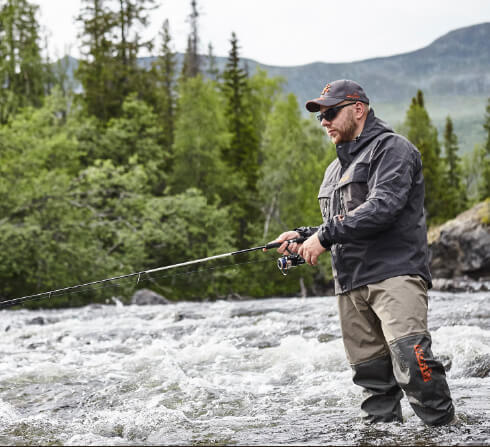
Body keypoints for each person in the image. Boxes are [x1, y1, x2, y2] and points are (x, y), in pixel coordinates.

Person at [269, 80, 455, 425]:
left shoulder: (393, 149)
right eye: (320, 115)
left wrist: (324, 236)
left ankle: (448, 434)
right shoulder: (333, 170)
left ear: (358, 109)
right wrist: (305, 236)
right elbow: (344, 220)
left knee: (415, 365)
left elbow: (383, 207)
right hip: (350, 285)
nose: (324, 121)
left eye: (330, 112)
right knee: (373, 381)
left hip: (394, 275)